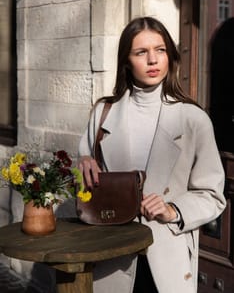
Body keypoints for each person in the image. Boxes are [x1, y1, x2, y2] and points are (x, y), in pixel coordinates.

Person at [77, 17, 226, 293]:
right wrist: (83, 163)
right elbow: (83, 189)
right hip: (113, 256)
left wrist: (174, 210)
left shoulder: (193, 119)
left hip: (167, 253)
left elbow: (212, 195)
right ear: (126, 61)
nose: (153, 60)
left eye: (160, 50)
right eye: (141, 52)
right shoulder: (102, 114)